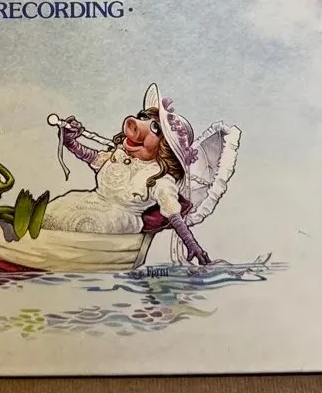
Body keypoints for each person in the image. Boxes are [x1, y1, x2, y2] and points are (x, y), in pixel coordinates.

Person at [41, 84, 212, 264]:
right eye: (143, 118)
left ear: (165, 148)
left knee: (85, 223)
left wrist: (191, 243)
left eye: (155, 128)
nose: (138, 124)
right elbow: (90, 156)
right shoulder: (120, 156)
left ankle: (57, 257)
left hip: (119, 218)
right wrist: (69, 140)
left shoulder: (159, 177)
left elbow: (173, 214)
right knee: (54, 211)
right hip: (90, 201)